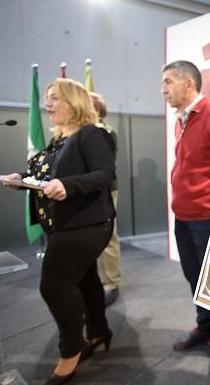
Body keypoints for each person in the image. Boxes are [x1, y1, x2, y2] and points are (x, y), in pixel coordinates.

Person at [0, 78, 116, 385]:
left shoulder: (91, 134)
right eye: (47, 98)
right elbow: (46, 174)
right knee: (85, 278)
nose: (47, 104)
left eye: (54, 98)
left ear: (74, 102)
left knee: (53, 287)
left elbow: (104, 175)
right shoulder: (60, 139)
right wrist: (21, 178)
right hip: (63, 223)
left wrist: (69, 185)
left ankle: (71, 348)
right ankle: (98, 331)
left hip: (86, 226)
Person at [161, 60, 210, 378]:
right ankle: (205, 327)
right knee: (194, 277)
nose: (163, 89)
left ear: (188, 83)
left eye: (168, 82)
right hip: (184, 217)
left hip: (207, 219)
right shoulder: (183, 120)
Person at [90, 92, 121, 307]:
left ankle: (111, 283)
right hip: (86, 192)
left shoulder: (104, 132)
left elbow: (102, 166)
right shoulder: (81, 132)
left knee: (108, 235)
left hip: (105, 191)